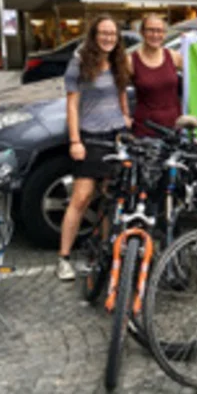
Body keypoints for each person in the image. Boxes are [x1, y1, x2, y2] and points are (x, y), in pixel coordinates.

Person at [57, 15, 131, 281]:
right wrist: (75, 141)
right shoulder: (79, 63)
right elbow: (72, 106)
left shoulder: (118, 61)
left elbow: (121, 93)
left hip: (116, 135)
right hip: (90, 136)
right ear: (94, 34)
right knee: (81, 197)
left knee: (110, 196)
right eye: (104, 33)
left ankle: (105, 251)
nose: (108, 38)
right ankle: (63, 257)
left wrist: (126, 117)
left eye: (113, 34)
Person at [128, 13, 182, 137]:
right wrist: (125, 114)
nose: (155, 35)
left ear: (164, 34)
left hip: (173, 128)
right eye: (150, 30)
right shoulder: (131, 61)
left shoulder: (174, 57)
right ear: (142, 32)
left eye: (159, 31)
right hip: (145, 129)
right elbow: (119, 89)